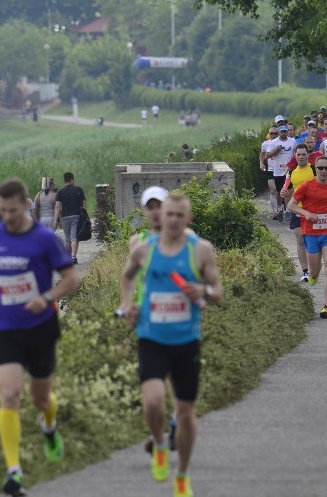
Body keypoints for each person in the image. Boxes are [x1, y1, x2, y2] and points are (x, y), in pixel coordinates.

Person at [0, 178, 80, 497]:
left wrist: (46, 297)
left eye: (13, 210)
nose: (7, 217)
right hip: (6, 328)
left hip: (40, 328)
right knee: (9, 395)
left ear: (26, 205)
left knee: (39, 399)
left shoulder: (44, 239)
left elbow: (71, 279)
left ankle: (49, 428)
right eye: (2, 211)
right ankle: (14, 472)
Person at [118, 193, 223, 497]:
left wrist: (201, 289)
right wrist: (127, 306)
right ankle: (160, 443)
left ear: (188, 219)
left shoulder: (200, 251)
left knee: (186, 413)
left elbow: (217, 292)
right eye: (169, 215)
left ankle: (183, 474)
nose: (174, 220)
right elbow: (126, 280)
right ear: (160, 217)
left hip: (186, 341)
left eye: (180, 215)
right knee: (152, 401)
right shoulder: (144, 250)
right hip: (151, 337)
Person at [287, 155, 327, 319]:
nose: (324, 171)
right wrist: (306, 213)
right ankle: (313, 276)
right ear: (315, 169)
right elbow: (290, 205)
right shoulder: (307, 186)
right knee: (314, 272)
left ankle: (326, 306)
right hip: (311, 233)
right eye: (320, 168)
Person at [281, 144, 315, 282]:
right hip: (297, 209)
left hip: (312, 209)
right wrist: (284, 192)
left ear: (308, 155)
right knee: (300, 239)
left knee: (312, 241)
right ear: (294, 155)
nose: (301, 157)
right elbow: (286, 188)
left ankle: (314, 267)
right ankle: (305, 271)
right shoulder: (291, 172)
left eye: (303, 154)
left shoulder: (314, 169)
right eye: (298, 154)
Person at [263, 124, 297, 221]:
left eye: (285, 131)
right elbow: (267, 155)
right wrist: (276, 150)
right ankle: (280, 208)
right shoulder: (274, 142)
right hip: (277, 171)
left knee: (288, 191)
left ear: (287, 132)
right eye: (281, 132)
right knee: (279, 192)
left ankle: (287, 211)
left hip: (289, 170)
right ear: (279, 133)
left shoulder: (292, 141)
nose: (283, 133)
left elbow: (296, 152)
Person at [54, 172, 86, 264]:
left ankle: (68, 257)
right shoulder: (78, 189)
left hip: (65, 217)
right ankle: (73, 257)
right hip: (76, 216)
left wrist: (56, 220)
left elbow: (57, 207)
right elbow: (84, 204)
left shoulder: (60, 192)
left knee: (67, 238)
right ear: (72, 179)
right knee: (74, 237)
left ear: (65, 180)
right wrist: (85, 215)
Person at [260, 127, 279, 219]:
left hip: (282, 170)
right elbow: (262, 154)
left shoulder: (283, 142)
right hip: (271, 169)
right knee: (272, 190)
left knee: (281, 191)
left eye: (275, 133)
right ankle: (275, 212)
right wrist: (261, 163)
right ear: (269, 134)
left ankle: (283, 209)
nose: (274, 135)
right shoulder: (265, 144)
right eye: (272, 134)